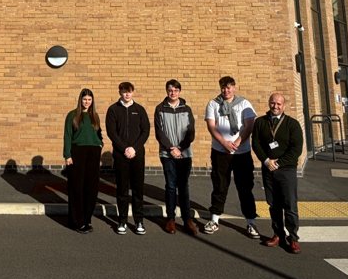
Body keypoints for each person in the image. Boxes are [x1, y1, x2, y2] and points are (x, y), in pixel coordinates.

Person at [204, 76, 259, 238]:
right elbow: (211, 126)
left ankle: (250, 222)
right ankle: (214, 220)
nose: (225, 91)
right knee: (220, 186)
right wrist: (224, 143)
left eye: (228, 87)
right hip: (220, 153)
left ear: (234, 87)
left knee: (245, 188)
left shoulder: (244, 104)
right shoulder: (213, 104)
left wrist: (237, 142)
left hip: (241, 153)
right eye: (223, 88)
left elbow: (250, 125)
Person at [252, 93, 304, 254]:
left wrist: (279, 162)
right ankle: (278, 234)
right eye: (273, 103)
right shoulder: (260, 122)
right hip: (268, 169)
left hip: (286, 169)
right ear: (269, 103)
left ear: (284, 105)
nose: (275, 106)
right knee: (273, 204)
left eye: (279, 104)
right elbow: (256, 143)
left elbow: (296, 149)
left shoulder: (292, 124)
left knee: (289, 205)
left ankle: (293, 238)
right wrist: (266, 160)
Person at [106, 81, 151, 235]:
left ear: (133, 92)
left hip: (137, 155)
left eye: (129, 91)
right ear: (119, 92)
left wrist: (134, 148)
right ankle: (122, 221)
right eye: (124, 91)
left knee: (138, 189)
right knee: (122, 190)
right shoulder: (113, 110)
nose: (127, 94)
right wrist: (124, 148)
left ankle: (139, 221)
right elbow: (111, 132)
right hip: (121, 155)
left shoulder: (139, 110)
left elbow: (145, 131)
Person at [154, 79, 198, 235]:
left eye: (176, 90)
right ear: (167, 91)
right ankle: (170, 220)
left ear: (180, 91)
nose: (173, 93)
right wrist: (170, 148)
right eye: (170, 90)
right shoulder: (160, 108)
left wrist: (180, 148)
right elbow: (159, 132)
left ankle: (187, 220)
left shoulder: (187, 109)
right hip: (167, 154)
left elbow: (191, 132)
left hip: (184, 154)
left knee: (184, 187)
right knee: (171, 186)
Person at [63, 88, 104, 234]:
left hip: (93, 153)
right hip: (77, 152)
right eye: (85, 99)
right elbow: (67, 135)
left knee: (91, 188)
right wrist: (67, 155)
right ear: (80, 100)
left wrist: (100, 145)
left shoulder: (95, 116)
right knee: (77, 188)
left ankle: (87, 219)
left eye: (89, 100)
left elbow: (99, 134)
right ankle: (77, 221)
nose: (87, 102)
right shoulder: (72, 115)